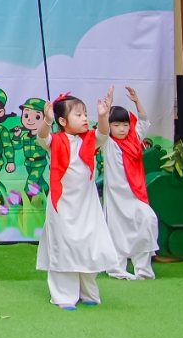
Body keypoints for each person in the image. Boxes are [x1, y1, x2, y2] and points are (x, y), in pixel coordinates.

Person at [36, 92, 120, 308]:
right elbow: (41, 136)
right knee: (64, 248)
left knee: (87, 246)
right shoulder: (55, 141)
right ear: (63, 121)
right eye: (79, 114)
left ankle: (89, 293)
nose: (85, 118)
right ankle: (64, 296)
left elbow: (103, 133)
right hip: (62, 206)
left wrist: (103, 116)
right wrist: (47, 120)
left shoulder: (90, 139)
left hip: (87, 207)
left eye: (86, 114)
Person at [102, 86, 158, 280]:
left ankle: (143, 270)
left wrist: (137, 101)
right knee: (116, 233)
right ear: (110, 126)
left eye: (125, 125)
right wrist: (107, 107)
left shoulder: (134, 141)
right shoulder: (107, 143)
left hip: (135, 196)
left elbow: (143, 122)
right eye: (116, 125)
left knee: (148, 221)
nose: (121, 129)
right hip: (116, 201)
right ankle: (117, 268)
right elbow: (101, 129)